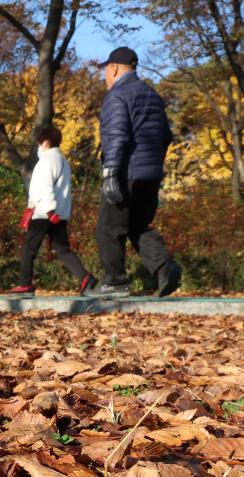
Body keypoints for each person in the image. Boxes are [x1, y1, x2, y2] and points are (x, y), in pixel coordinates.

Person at [87, 47, 182, 300]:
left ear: (114, 68)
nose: (105, 75)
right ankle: (165, 267)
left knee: (108, 227)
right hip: (150, 174)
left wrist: (110, 174)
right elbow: (166, 136)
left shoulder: (118, 96)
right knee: (138, 224)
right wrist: (154, 166)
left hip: (125, 172)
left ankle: (115, 283)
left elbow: (117, 136)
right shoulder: (153, 95)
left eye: (106, 69)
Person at [10, 126, 95, 297]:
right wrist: (56, 212)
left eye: (40, 143)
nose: (39, 147)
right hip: (59, 213)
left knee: (29, 248)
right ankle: (85, 277)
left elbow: (44, 187)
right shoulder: (64, 162)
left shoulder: (45, 162)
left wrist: (48, 211)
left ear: (46, 143)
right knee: (62, 250)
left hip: (44, 212)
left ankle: (25, 284)